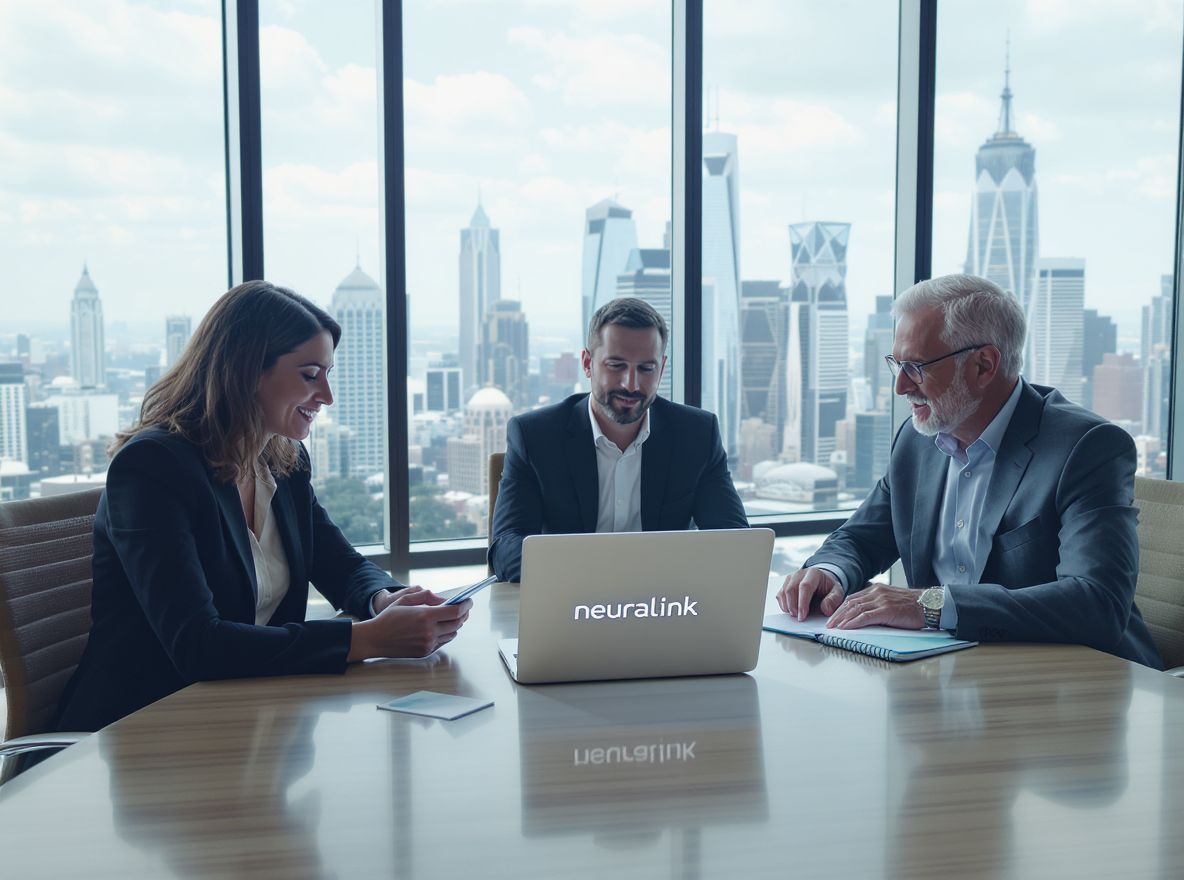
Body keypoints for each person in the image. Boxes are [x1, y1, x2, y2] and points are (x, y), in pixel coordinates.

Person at [55, 281, 472, 732]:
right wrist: (366, 639)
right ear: (248, 370)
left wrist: (384, 598)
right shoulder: (153, 468)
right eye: (311, 375)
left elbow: (343, 565)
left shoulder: (281, 460)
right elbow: (198, 645)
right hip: (146, 729)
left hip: (252, 716)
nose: (327, 396)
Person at [776, 273, 1161, 668]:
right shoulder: (917, 439)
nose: (901, 387)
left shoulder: (1086, 447)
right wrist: (829, 571)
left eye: (916, 366)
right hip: (952, 673)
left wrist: (930, 605)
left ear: (983, 365)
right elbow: (863, 537)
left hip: (1076, 684)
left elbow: (1097, 603)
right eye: (897, 365)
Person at [488, 297, 749, 583]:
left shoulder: (697, 434)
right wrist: (608, 572)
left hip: (664, 606)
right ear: (588, 363)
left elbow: (735, 543)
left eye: (646, 368)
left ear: (661, 368)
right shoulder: (535, 436)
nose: (631, 384)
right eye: (616, 365)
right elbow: (505, 550)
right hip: (570, 604)